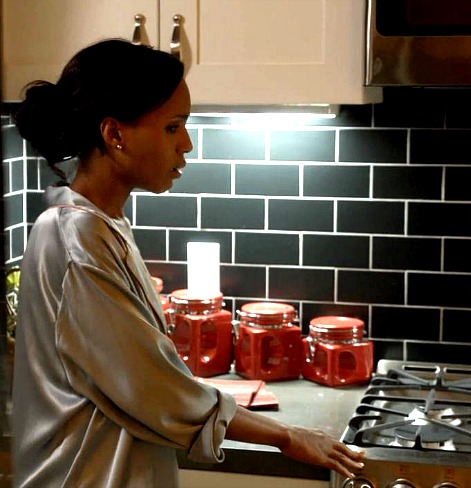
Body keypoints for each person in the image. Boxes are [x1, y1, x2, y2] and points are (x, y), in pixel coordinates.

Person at [11, 38, 365, 487]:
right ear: (115, 134)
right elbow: (155, 389)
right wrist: (285, 436)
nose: (188, 145)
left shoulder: (97, 224)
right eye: (172, 127)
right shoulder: (76, 238)